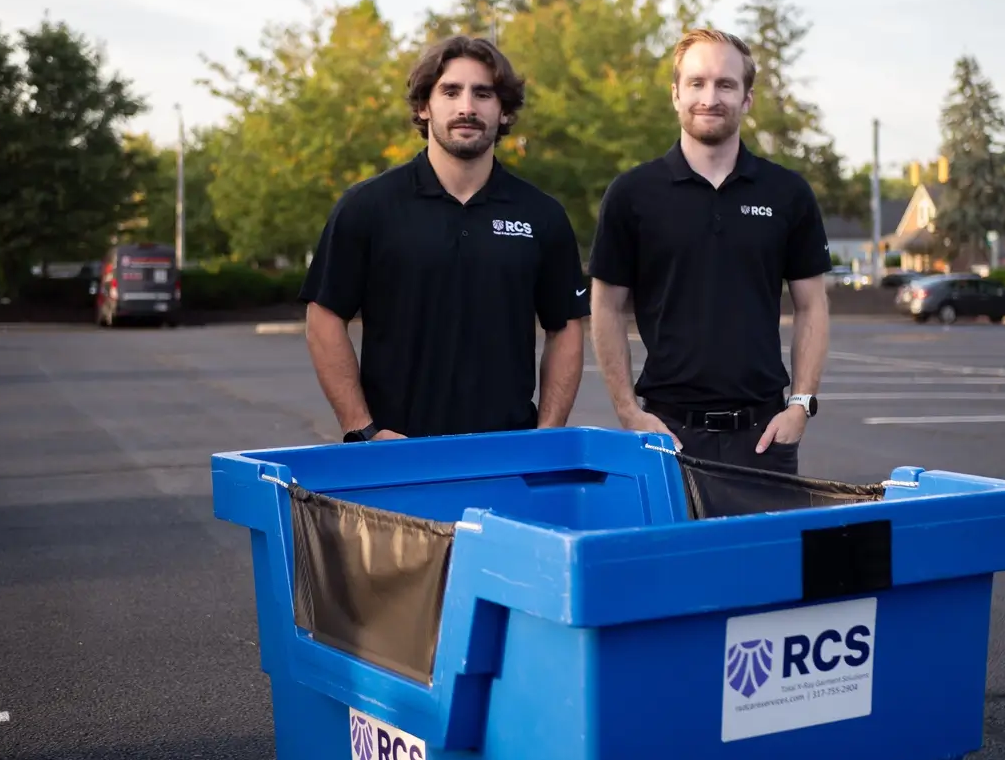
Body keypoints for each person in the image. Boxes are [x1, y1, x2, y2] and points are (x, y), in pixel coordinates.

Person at [298, 35, 589, 443]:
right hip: (396, 454)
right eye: (450, 91)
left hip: (508, 454)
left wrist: (546, 435)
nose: (466, 107)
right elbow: (325, 317)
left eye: (483, 94)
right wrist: (362, 429)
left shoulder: (541, 215)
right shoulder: (368, 207)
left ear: (504, 111)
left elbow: (566, 327)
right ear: (423, 106)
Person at [587, 28, 831, 475]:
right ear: (675, 94)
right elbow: (605, 306)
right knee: (672, 549)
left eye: (725, 84)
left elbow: (812, 304)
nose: (710, 96)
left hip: (764, 437)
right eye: (697, 83)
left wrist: (800, 405)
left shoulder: (788, 193)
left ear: (747, 99)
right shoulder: (633, 194)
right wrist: (628, 411)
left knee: (761, 549)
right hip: (666, 434)